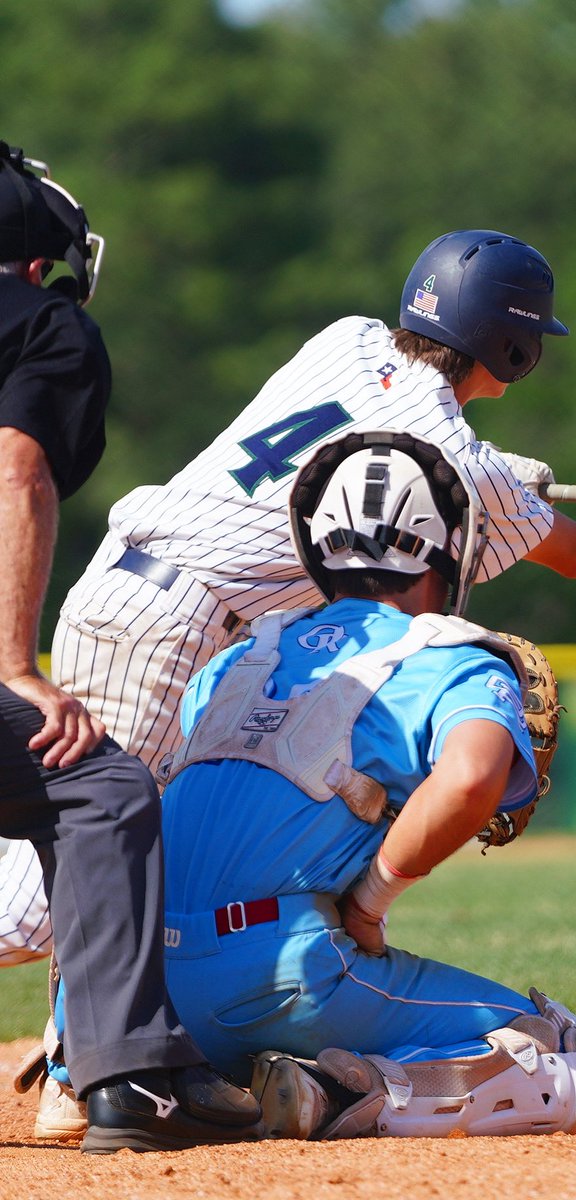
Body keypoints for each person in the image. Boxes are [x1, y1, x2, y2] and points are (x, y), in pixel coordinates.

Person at [12, 227, 576, 1131]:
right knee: (76, 874)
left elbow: (350, 443)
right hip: (178, 627)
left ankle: (93, 1056)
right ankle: (78, 1069)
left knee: (121, 859)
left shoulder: (348, 338)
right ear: (514, 350)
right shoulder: (465, 468)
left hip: (132, 589)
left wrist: (494, 472)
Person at [157, 430, 576, 1139]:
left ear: (316, 547)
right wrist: (370, 903)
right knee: (574, 1057)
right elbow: (470, 779)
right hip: (285, 980)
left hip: (146, 996)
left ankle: (106, 1079)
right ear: (450, 549)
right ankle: (333, 1095)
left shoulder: (240, 658)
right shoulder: (447, 656)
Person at [0, 139, 263, 1154]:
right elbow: (17, 472)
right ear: (36, 261)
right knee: (96, 786)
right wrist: (17, 666)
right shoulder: (47, 322)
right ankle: (125, 1083)